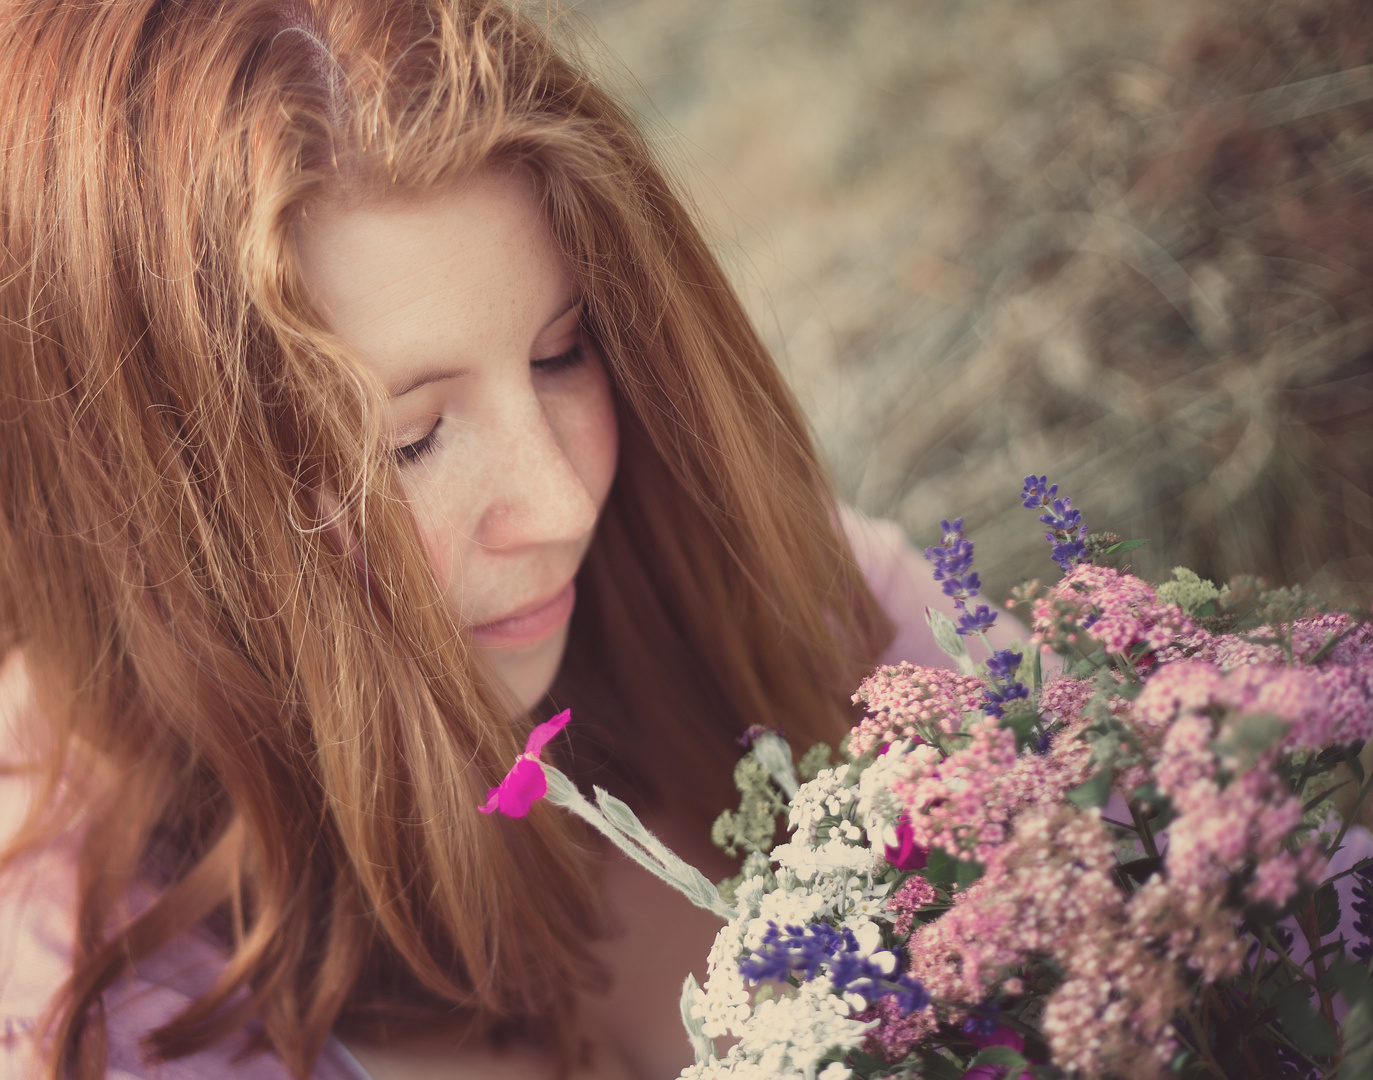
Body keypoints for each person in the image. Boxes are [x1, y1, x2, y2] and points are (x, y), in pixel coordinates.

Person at [0, 2, 1013, 1078]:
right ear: (142, 511)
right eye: (407, 442)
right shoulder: (101, 1010)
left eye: (562, 353)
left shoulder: (716, 575)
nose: (561, 502)